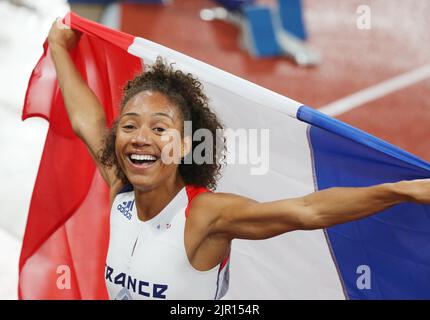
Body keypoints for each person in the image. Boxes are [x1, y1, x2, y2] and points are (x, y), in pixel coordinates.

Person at [48, 19, 430, 300]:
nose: (141, 138)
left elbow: (306, 211)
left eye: (160, 128)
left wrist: (401, 191)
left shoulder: (205, 216)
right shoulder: (123, 193)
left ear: (184, 146)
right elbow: (88, 123)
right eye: (130, 126)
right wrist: (59, 47)